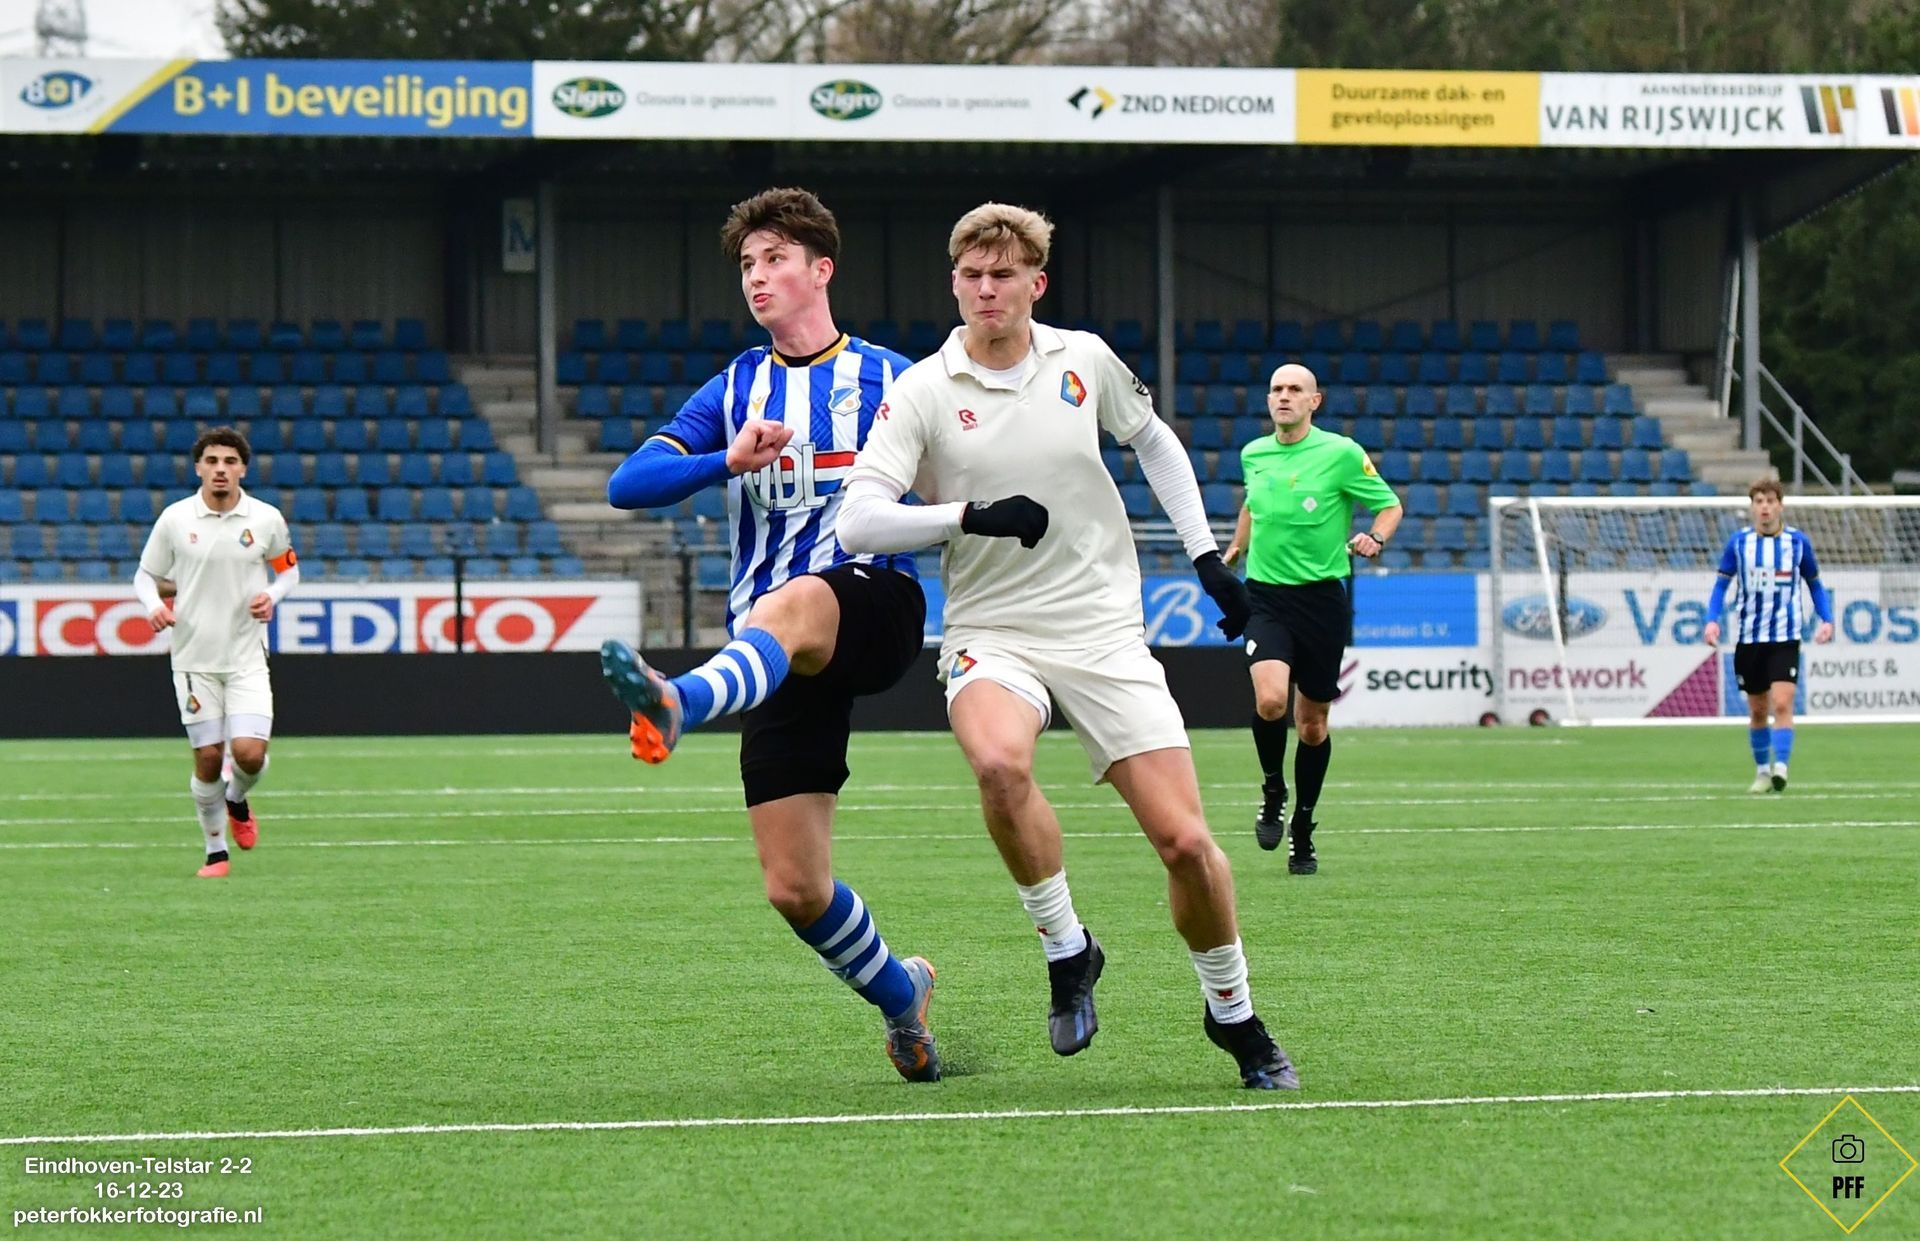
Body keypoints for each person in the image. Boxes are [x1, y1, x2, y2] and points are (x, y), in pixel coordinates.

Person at [839, 201, 1298, 1091]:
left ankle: (1233, 1013)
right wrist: (969, 515)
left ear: (1035, 284)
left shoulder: (1083, 359)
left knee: (1187, 845)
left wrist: (1206, 556)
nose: (987, 289)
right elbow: (859, 520)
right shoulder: (923, 389)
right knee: (999, 764)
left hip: (1102, 630)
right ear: (955, 283)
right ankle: (1066, 948)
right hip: (993, 631)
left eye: (1004, 275)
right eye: (972, 275)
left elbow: (1154, 441)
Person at [597, 187, 941, 1082]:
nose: (758, 276)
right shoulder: (736, 387)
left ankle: (677, 700)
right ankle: (903, 996)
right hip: (774, 653)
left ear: (821, 270)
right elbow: (627, 485)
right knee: (795, 886)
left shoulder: (896, 378)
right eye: (748, 263)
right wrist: (726, 459)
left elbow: (968, 471)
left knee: (795, 599)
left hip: (875, 605)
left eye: (776, 258)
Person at [1222, 363, 1402, 874]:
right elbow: (1253, 506)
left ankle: (1302, 826)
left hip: (1321, 601)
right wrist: (1237, 547)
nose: (1284, 396)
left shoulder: (1340, 453)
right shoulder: (1253, 454)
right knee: (1271, 700)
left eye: (1294, 389)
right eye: (1276, 389)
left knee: (1313, 725)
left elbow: (1390, 506)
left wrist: (1376, 537)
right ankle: (1272, 790)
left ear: (1313, 401)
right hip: (1266, 598)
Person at [134, 427, 299, 878]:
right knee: (208, 759)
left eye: (229, 461)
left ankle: (237, 798)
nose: (220, 469)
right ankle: (215, 852)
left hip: (246, 656)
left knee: (248, 754)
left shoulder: (265, 519)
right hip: (193, 659)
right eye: (212, 461)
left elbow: (289, 571)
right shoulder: (175, 519)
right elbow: (145, 576)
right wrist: (153, 606)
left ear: (243, 468)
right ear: (198, 468)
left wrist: (272, 595)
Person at [1702, 477, 1834, 792]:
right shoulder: (1739, 543)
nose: (1764, 507)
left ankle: (1781, 768)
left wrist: (1827, 619)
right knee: (1758, 709)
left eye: (1770, 501)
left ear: (1780, 506)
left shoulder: (1797, 543)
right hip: (1749, 638)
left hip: (1785, 637)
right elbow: (1721, 586)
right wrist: (1711, 620)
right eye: (1759, 501)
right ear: (1752, 507)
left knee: (1783, 702)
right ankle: (1762, 772)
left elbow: (1815, 584)